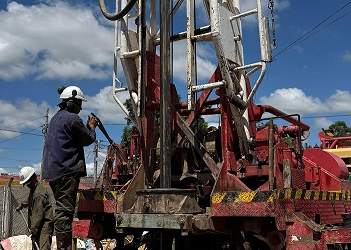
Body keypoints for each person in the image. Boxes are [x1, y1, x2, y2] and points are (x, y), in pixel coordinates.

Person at [42, 86, 97, 250]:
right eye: (79, 104)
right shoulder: (72, 119)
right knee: (64, 212)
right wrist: (92, 126)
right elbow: (87, 139)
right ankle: (63, 247)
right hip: (66, 171)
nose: (81, 108)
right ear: (72, 102)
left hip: (53, 172)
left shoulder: (56, 118)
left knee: (61, 208)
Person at [16, 167, 54, 250]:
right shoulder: (34, 189)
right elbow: (30, 200)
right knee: (35, 247)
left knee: (43, 247)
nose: (27, 185)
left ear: (34, 177)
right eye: (26, 183)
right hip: (38, 225)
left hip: (44, 226)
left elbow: (37, 216)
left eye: (28, 183)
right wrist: (22, 205)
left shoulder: (39, 194)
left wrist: (33, 232)